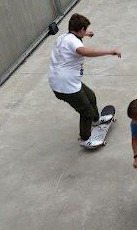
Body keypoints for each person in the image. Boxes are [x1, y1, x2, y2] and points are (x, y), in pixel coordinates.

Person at [48, 13, 121, 144]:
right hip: (65, 86)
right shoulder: (74, 42)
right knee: (86, 111)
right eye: (85, 29)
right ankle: (85, 138)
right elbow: (84, 52)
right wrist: (110, 51)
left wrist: (85, 34)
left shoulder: (63, 37)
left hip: (62, 80)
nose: (86, 31)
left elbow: (73, 43)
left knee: (91, 96)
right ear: (80, 29)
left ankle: (96, 120)